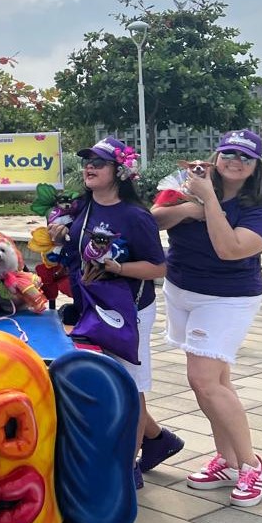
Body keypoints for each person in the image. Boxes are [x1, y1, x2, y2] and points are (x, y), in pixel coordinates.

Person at [151, 130, 262, 506]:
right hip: (182, 290)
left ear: (256, 165)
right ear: (217, 155)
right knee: (215, 381)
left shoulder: (261, 207)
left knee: (203, 380)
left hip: (228, 298)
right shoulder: (189, 180)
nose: (235, 162)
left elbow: (229, 249)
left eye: (245, 157)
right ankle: (227, 460)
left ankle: (253, 464)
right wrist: (189, 207)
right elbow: (154, 220)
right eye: (228, 153)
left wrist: (207, 202)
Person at [51, 137, 182, 489]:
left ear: (120, 171)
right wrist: (61, 235)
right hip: (91, 308)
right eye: (88, 161)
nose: (89, 167)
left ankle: (129, 465)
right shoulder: (83, 206)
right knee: (111, 379)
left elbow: (159, 267)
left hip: (129, 311)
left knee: (128, 386)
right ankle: (158, 440)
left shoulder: (135, 216)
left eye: (100, 162)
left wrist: (117, 267)